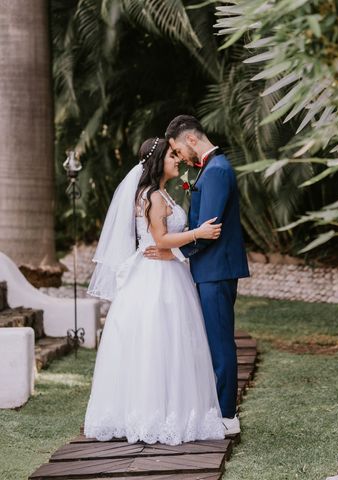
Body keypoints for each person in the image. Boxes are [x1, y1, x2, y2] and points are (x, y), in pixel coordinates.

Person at [84, 137, 227, 445]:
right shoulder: (154, 197)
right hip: (157, 276)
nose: (177, 159)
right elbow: (160, 239)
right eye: (172, 155)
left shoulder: (158, 193)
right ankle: (157, 415)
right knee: (161, 340)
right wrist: (198, 234)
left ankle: (160, 411)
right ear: (159, 160)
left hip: (162, 272)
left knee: (163, 343)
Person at [144, 115, 250, 434]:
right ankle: (219, 409)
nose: (179, 156)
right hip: (211, 270)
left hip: (216, 270)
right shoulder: (209, 168)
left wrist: (174, 251)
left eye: (177, 148)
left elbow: (209, 230)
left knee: (220, 344)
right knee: (215, 341)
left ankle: (227, 416)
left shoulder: (216, 170)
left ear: (190, 140)